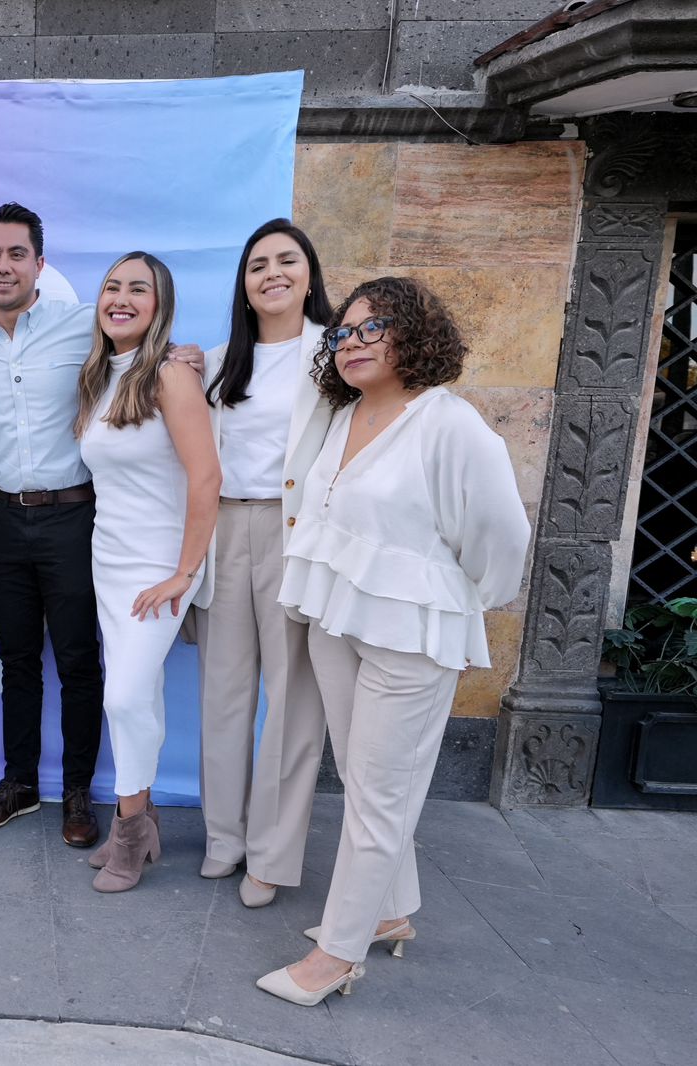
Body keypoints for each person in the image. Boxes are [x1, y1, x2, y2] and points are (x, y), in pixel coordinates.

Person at [257, 277, 530, 1005]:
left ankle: (338, 955)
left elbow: (503, 536)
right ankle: (388, 910)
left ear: (413, 333)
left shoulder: (450, 425)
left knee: (381, 795)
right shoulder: (343, 412)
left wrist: (462, 599)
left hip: (411, 632)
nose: (352, 343)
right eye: (343, 332)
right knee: (365, 778)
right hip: (338, 616)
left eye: (371, 328)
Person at [0, 203, 203, 847]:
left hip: (73, 518)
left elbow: (142, 352)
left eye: (17, 254)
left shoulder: (83, 325)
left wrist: (191, 356)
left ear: (40, 263)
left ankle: (77, 794)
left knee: (78, 661)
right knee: (17, 659)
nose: (4, 266)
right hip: (0, 520)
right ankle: (18, 783)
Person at [196, 219, 333, 908]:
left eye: (286, 261)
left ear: (309, 277)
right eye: (257, 265)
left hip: (293, 534)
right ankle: (224, 837)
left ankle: (272, 856)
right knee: (222, 694)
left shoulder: (334, 354)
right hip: (225, 529)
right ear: (244, 285)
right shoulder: (219, 361)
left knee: (292, 699)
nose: (272, 273)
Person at [76, 253, 219, 892]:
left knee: (125, 696)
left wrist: (184, 573)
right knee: (141, 696)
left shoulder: (170, 374)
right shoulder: (102, 376)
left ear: (160, 305)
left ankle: (129, 830)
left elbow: (206, 476)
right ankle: (143, 818)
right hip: (108, 561)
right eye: (113, 287)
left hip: (160, 567)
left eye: (139, 289)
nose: (122, 298)